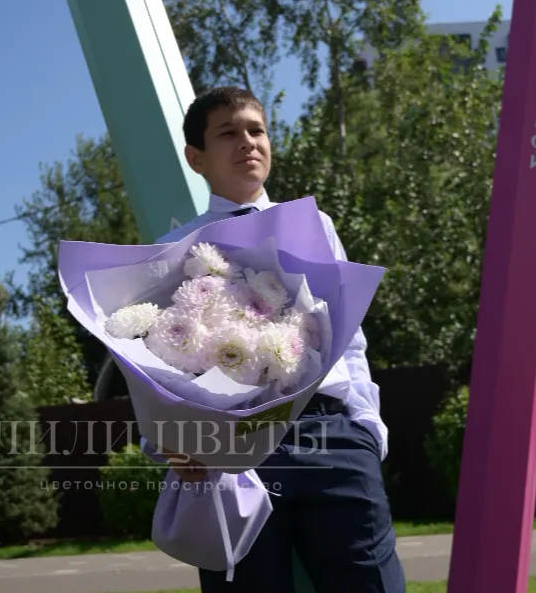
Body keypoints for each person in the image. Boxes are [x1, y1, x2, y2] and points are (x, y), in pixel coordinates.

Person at [154, 86, 406, 592]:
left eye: (257, 130)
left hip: (332, 434)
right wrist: (169, 444)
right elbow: (155, 365)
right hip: (232, 452)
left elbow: (349, 336)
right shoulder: (171, 250)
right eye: (228, 132)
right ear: (196, 157)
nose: (248, 141)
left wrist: (366, 429)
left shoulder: (315, 226)